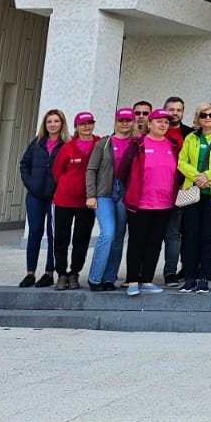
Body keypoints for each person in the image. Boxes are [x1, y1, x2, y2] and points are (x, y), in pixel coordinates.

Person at [175, 103, 211, 294]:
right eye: (203, 115)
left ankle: (204, 278)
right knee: (191, 235)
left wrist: (207, 175)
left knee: (208, 236)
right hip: (193, 191)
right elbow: (181, 162)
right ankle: (189, 277)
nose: (208, 118)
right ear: (198, 118)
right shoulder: (191, 138)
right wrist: (197, 177)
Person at [123, 109, 182, 295]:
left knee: (155, 243)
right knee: (137, 242)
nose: (163, 125)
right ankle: (133, 281)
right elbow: (122, 170)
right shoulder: (138, 143)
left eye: (166, 122)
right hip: (140, 203)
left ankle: (147, 280)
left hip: (164, 204)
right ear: (149, 124)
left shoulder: (173, 145)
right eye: (159, 121)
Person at [84, 108, 137, 291]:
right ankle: (95, 278)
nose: (124, 123)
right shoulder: (104, 143)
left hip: (125, 192)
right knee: (107, 233)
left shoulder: (137, 143)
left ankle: (109, 278)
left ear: (133, 122)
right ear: (116, 121)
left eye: (128, 120)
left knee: (119, 237)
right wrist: (91, 195)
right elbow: (91, 169)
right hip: (105, 192)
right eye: (121, 120)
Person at [49, 112, 99, 290]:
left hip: (87, 201)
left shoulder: (99, 144)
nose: (87, 126)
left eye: (90, 123)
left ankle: (75, 273)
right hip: (65, 200)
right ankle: (62, 273)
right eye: (83, 124)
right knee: (61, 238)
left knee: (81, 238)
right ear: (76, 126)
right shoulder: (68, 147)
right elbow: (57, 172)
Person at [18, 110, 65, 288]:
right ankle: (30, 273)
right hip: (35, 195)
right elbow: (24, 164)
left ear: (62, 124)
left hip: (55, 197)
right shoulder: (36, 143)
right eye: (49, 121)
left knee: (53, 234)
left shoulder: (65, 145)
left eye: (56, 121)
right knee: (34, 232)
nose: (52, 124)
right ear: (45, 125)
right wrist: (31, 184)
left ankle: (49, 273)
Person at [159, 96, 189, 285]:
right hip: (155, 190)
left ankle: (171, 272)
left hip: (182, 189)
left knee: (175, 233)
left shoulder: (190, 134)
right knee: (153, 234)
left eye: (179, 110)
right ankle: (143, 272)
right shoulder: (155, 131)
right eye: (171, 109)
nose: (175, 113)